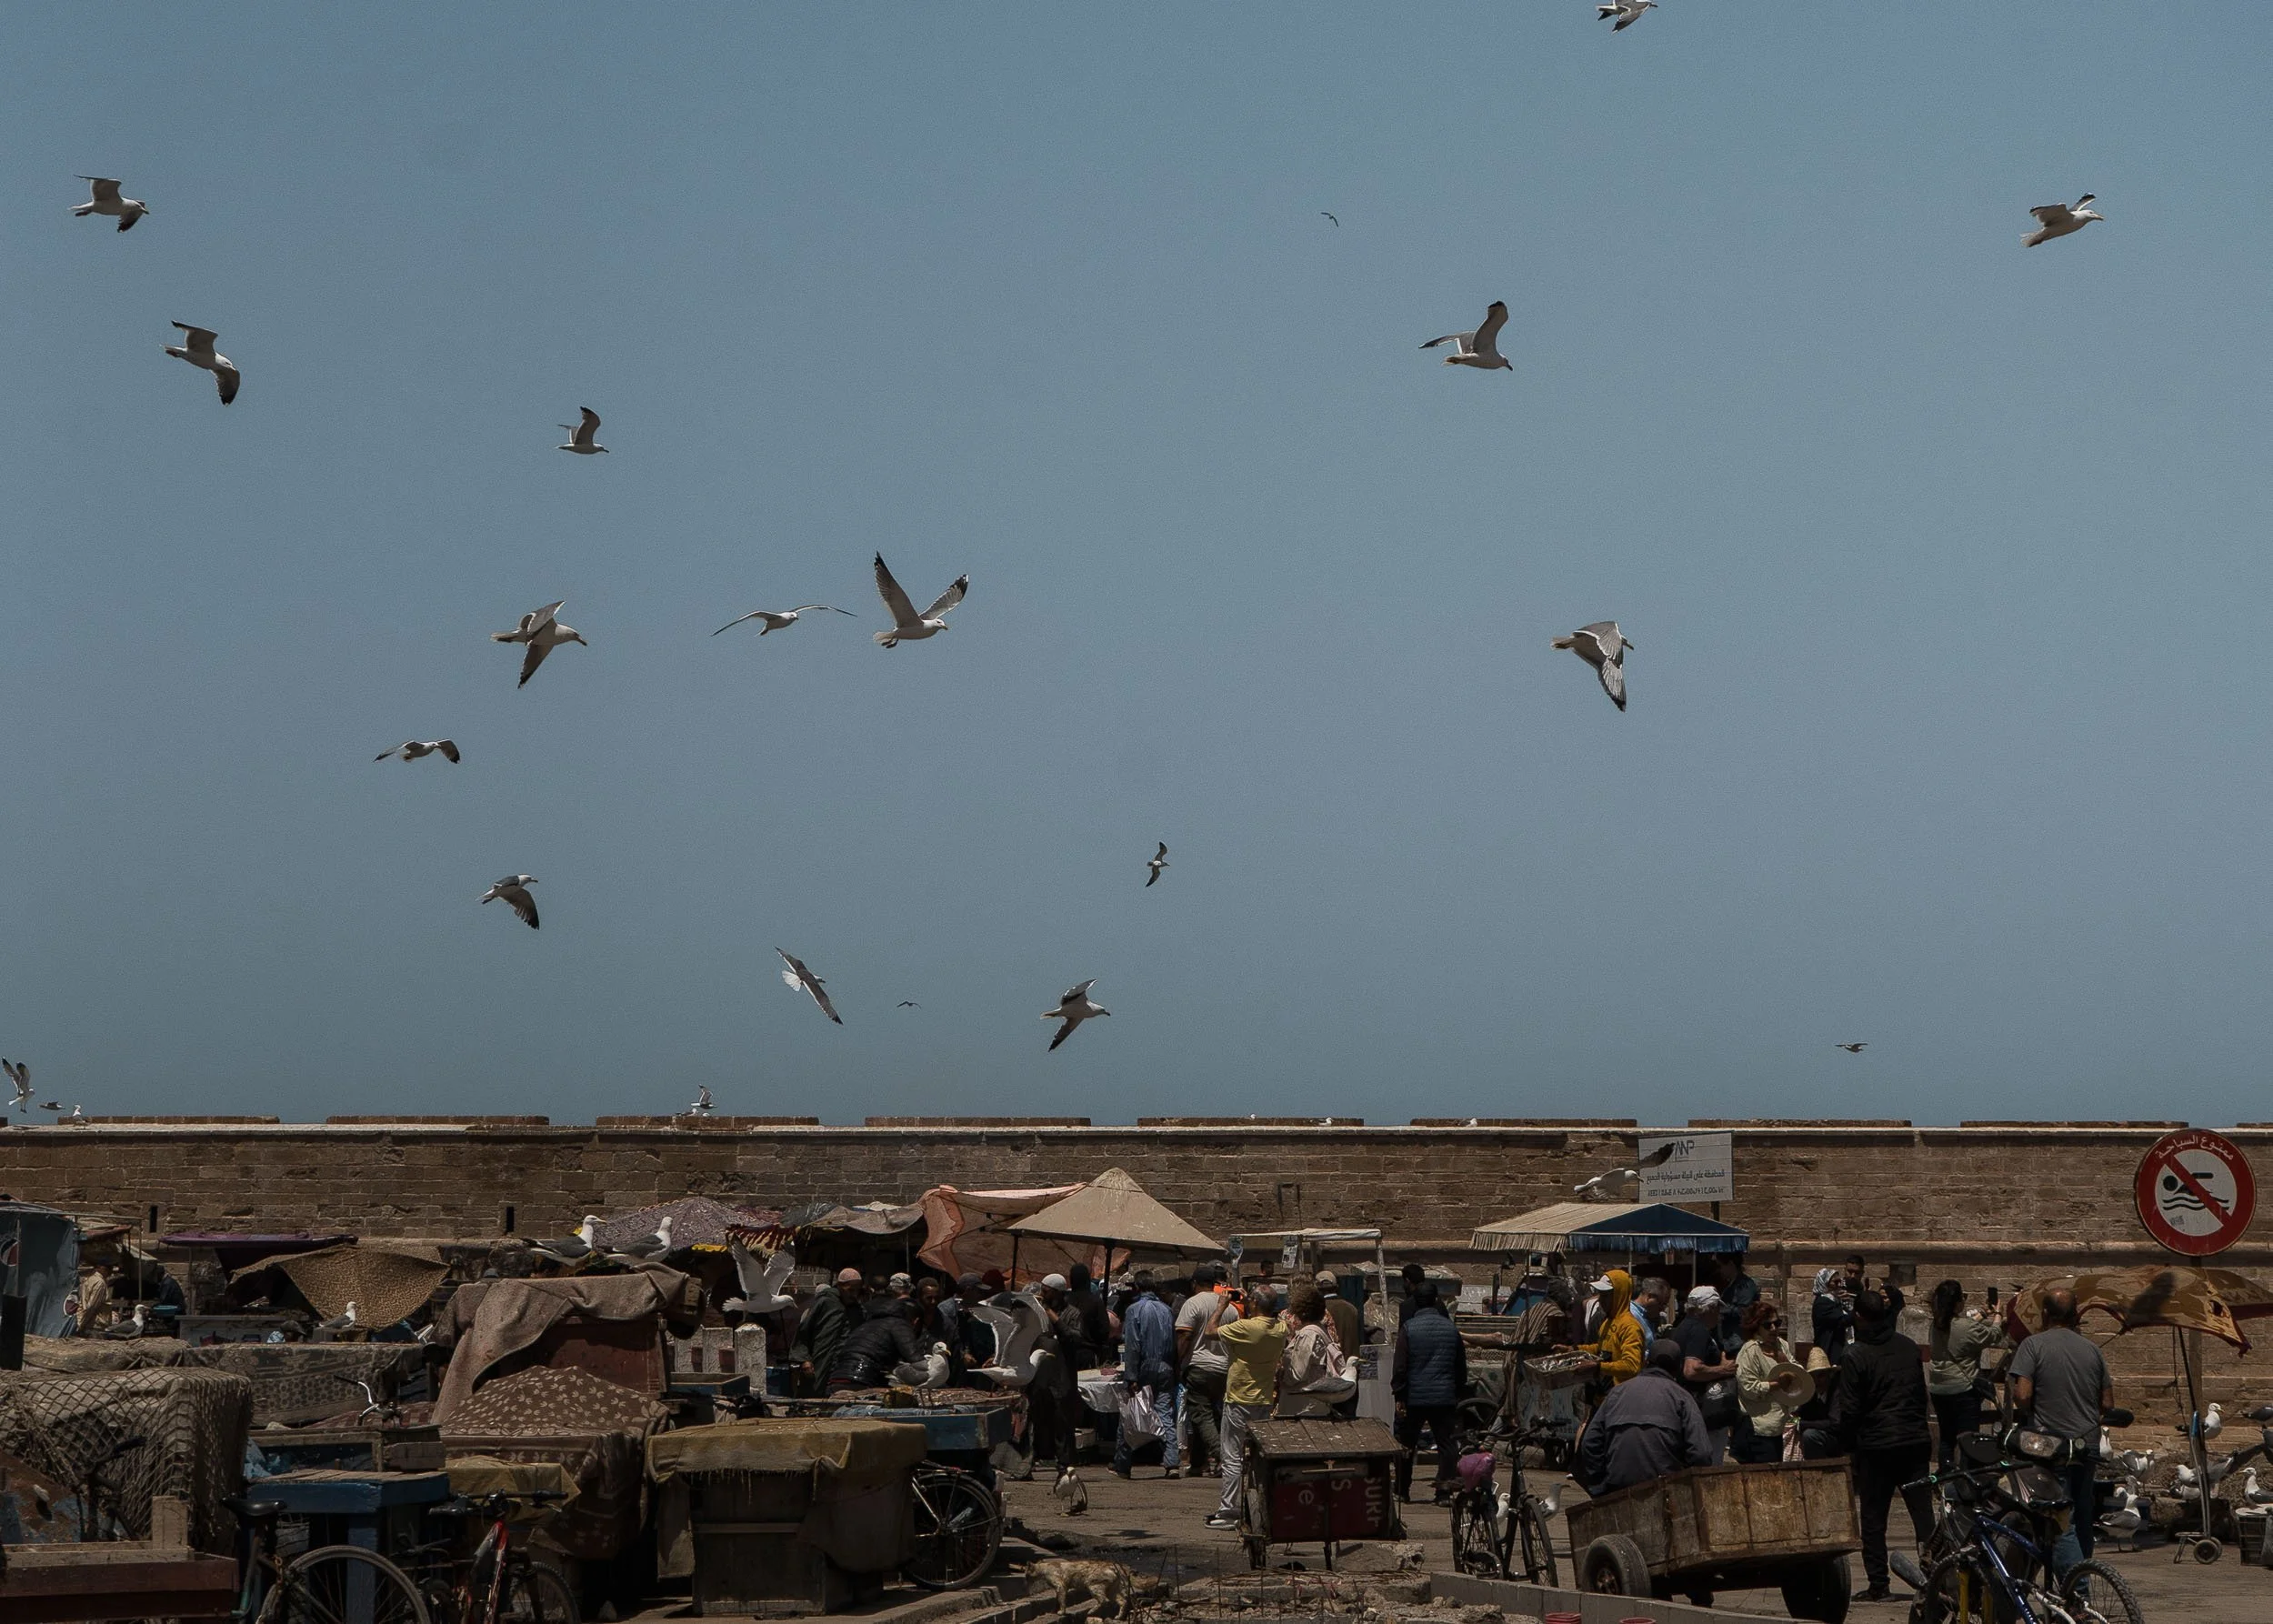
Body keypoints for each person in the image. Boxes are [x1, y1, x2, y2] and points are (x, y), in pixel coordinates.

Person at [1827, 1288, 1932, 1604]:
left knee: (1874, 1519)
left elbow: (1851, 1409)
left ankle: (1878, 1584)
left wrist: (1847, 1446)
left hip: (1877, 1445)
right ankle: (1938, 1576)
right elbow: (1919, 1394)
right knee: (1924, 1516)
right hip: (1913, 1440)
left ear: (1858, 1316)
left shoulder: (1855, 1355)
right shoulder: (1908, 1347)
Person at [2010, 1286, 2112, 1577]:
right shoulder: (2092, 1350)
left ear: (2045, 1314)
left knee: (2059, 1520)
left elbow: (2024, 1396)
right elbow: (2107, 1403)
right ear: (2075, 1315)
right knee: (2082, 1517)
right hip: (2088, 1445)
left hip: (2051, 1447)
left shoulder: (2032, 1346)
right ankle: (2080, 1584)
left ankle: (2076, 1596)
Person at [1577, 1339, 1711, 1495]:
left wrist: (1601, 1485)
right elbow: (1701, 1454)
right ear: (1678, 1368)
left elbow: (1590, 1442)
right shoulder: (1682, 1398)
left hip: (1617, 1486)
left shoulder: (1616, 1393)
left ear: (1646, 1362)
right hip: (1666, 1489)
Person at [1208, 1291, 1287, 1530]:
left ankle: (1229, 1510)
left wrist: (1222, 1305)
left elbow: (1210, 1331)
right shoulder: (1280, 1329)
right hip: (1263, 1400)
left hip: (1239, 1398)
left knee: (1232, 1456)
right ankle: (1259, 1506)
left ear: (1253, 1303)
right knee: (1257, 1458)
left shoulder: (1245, 1327)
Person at [1391, 1281, 1467, 1503]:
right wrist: (1457, 1392)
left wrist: (1399, 1394)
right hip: (1444, 1397)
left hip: (1415, 1397)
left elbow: (1400, 1366)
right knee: (1447, 1444)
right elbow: (1460, 1366)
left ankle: (1402, 1490)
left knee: (1407, 1444)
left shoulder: (1409, 1329)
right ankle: (1443, 1491)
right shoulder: (1450, 1329)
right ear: (1436, 1301)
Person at [1928, 1279, 2009, 1471]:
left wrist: (1982, 1314)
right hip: (1962, 1389)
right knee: (1968, 1438)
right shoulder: (1964, 1327)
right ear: (1957, 1303)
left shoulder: (1936, 1324)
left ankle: (1945, 1475)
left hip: (1939, 1388)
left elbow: (1962, 1328)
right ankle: (1967, 1477)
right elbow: (1994, 1335)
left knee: (1947, 1438)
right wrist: (1997, 1314)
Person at [1113, 1273, 1180, 1479]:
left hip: (1144, 1367)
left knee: (1129, 1414)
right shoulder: (1167, 1310)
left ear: (1136, 1288)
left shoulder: (1135, 1310)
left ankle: (1123, 1464)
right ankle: (1172, 1462)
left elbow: (1133, 1346)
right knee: (1164, 1414)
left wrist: (1131, 1376)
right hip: (1166, 1367)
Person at [1671, 1284, 1740, 1463]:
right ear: (1709, 1308)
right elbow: (1692, 1369)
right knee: (1709, 1462)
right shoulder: (1698, 1330)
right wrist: (1723, 1370)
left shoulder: (1682, 1327)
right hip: (1703, 1408)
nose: (1719, 1315)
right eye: (1717, 1308)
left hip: (1688, 1406)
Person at [1177, 1262, 1233, 1478]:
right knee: (1208, 1413)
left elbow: (1184, 1336)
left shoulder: (1192, 1304)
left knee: (1201, 1415)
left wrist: (1178, 1362)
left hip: (1199, 1366)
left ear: (1194, 1284)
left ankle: (1223, 1456)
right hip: (1224, 1368)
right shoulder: (1229, 1308)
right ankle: (1198, 1463)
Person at [1733, 1298, 1801, 1464]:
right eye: (1767, 1325)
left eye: (1776, 1324)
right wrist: (1777, 1384)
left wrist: (1785, 1364)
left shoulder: (1781, 1345)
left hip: (1777, 1425)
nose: (1773, 1329)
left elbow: (1797, 1371)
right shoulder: (1750, 1351)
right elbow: (1749, 1388)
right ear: (1756, 1327)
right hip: (1757, 1427)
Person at [1277, 1282, 1350, 1419]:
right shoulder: (1320, 1330)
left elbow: (1297, 1374)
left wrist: (1281, 1375)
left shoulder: (1307, 1334)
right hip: (1316, 1403)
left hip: (1301, 1406)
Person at [788, 1268, 864, 1397]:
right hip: (819, 1359)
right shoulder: (826, 1303)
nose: (854, 1294)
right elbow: (804, 1331)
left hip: (843, 1365)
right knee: (812, 1391)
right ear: (840, 1286)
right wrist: (804, 1360)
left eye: (857, 1291)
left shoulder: (857, 1310)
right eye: (850, 1290)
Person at [826, 1291, 921, 1392]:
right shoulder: (900, 1324)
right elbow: (916, 1359)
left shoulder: (867, 1324)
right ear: (915, 1321)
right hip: (862, 1381)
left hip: (836, 1379)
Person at [1563, 1269, 1646, 1385]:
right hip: (1604, 1393)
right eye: (1600, 1295)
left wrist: (1598, 1367)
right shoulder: (1608, 1322)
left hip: (1622, 1393)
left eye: (1606, 1296)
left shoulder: (1630, 1327)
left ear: (1619, 1295)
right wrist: (1574, 1350)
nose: (1601, 1300)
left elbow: (1631, 1366)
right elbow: (1602, 1348)